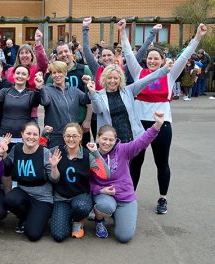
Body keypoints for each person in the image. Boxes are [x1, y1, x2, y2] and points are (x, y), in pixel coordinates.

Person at [120, 21, 208, 214]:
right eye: (150, 58)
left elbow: (184, 57)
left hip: (162, 125)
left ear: (162, 61)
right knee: (136, 162)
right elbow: (127, 52)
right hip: (139, 126)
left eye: (156, 59)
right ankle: (130, 197)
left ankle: (163, 198)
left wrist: (198, 37)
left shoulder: (169, 75)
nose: (152, 61)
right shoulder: (138, 73)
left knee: (162, 163)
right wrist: (122, 32)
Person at [90, 111, 165, 243]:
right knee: (105, 206)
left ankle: (118, 216)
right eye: (104, 139)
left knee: (124, 237)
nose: (107, 143)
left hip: (125, 197)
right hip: (104, 196)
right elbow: (87, 182)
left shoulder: (124, 150)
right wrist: (100, 190)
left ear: (115, 140)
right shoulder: (91, 155)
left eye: (111, 140)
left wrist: (157, 126)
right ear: (97, 138)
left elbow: (142, 142)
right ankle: (99, 219)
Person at [86, 60, 172, 143]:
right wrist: (92, 93)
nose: (112, 81)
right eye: (109, 78)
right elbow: (97, 110)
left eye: (116, 78)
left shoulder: (128, 91)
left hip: (131, 139)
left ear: (120, 79)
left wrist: (164, 70)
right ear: (104, 79)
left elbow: (147, 80)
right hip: (110, 142)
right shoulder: (98, 95)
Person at [49, 123, 108, 241]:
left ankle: (77, 221)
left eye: (75, 136)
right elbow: (53, 178)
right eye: (68, 136)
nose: (71, 139)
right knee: (58, 235)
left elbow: (105, 175)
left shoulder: (87, 155)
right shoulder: (56, 151)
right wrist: (54, 166)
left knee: (81, 207)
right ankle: (66, 216)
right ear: (64, 137)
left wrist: (96, 153)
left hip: (80, 196)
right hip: (61, 197)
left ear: (80, 136)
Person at [2, 122, 55, 241]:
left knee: (33, 235)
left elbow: (54, 179)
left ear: (38, 136)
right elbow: (8, 167)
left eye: (35, 134)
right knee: (9, 199)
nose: (31, 137)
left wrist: (54, 167)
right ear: (22, 134)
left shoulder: (45, 152)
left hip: (42, 197)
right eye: (28, 133)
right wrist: (3, 152)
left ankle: (39, 216)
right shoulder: (17, 148)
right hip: (23, 192)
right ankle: (25, 217)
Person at [47, 42, 93, 144]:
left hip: (80, 121)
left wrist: (88, 120)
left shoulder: (84, 70)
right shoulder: (52, 75)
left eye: (66, 51)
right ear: (57, 56)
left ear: (71, 52)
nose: (63, 54)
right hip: (59, 126)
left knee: (81, 154)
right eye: (60, 53)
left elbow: (90, 97)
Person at [40, 61, 90, 148]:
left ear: (65, 73)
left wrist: (88, 86)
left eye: (60, 72)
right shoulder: (47, 89)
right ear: (51, 75)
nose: (57, 75)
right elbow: (44, 101)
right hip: (54, 136)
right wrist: (40, 87)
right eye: (54, 73)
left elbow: (87, 99)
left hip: (72, 136)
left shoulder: (74, 90)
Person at [0, 64, 41, 144]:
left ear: (28, 77)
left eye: (23, 74)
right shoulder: (5, 91)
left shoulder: (31, 93)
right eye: (18, 73)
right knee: (3, 156)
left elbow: (35, 103)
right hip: (5, 136)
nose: (20, 76)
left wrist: (38, 88)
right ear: (13, 75)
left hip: (24, 136)